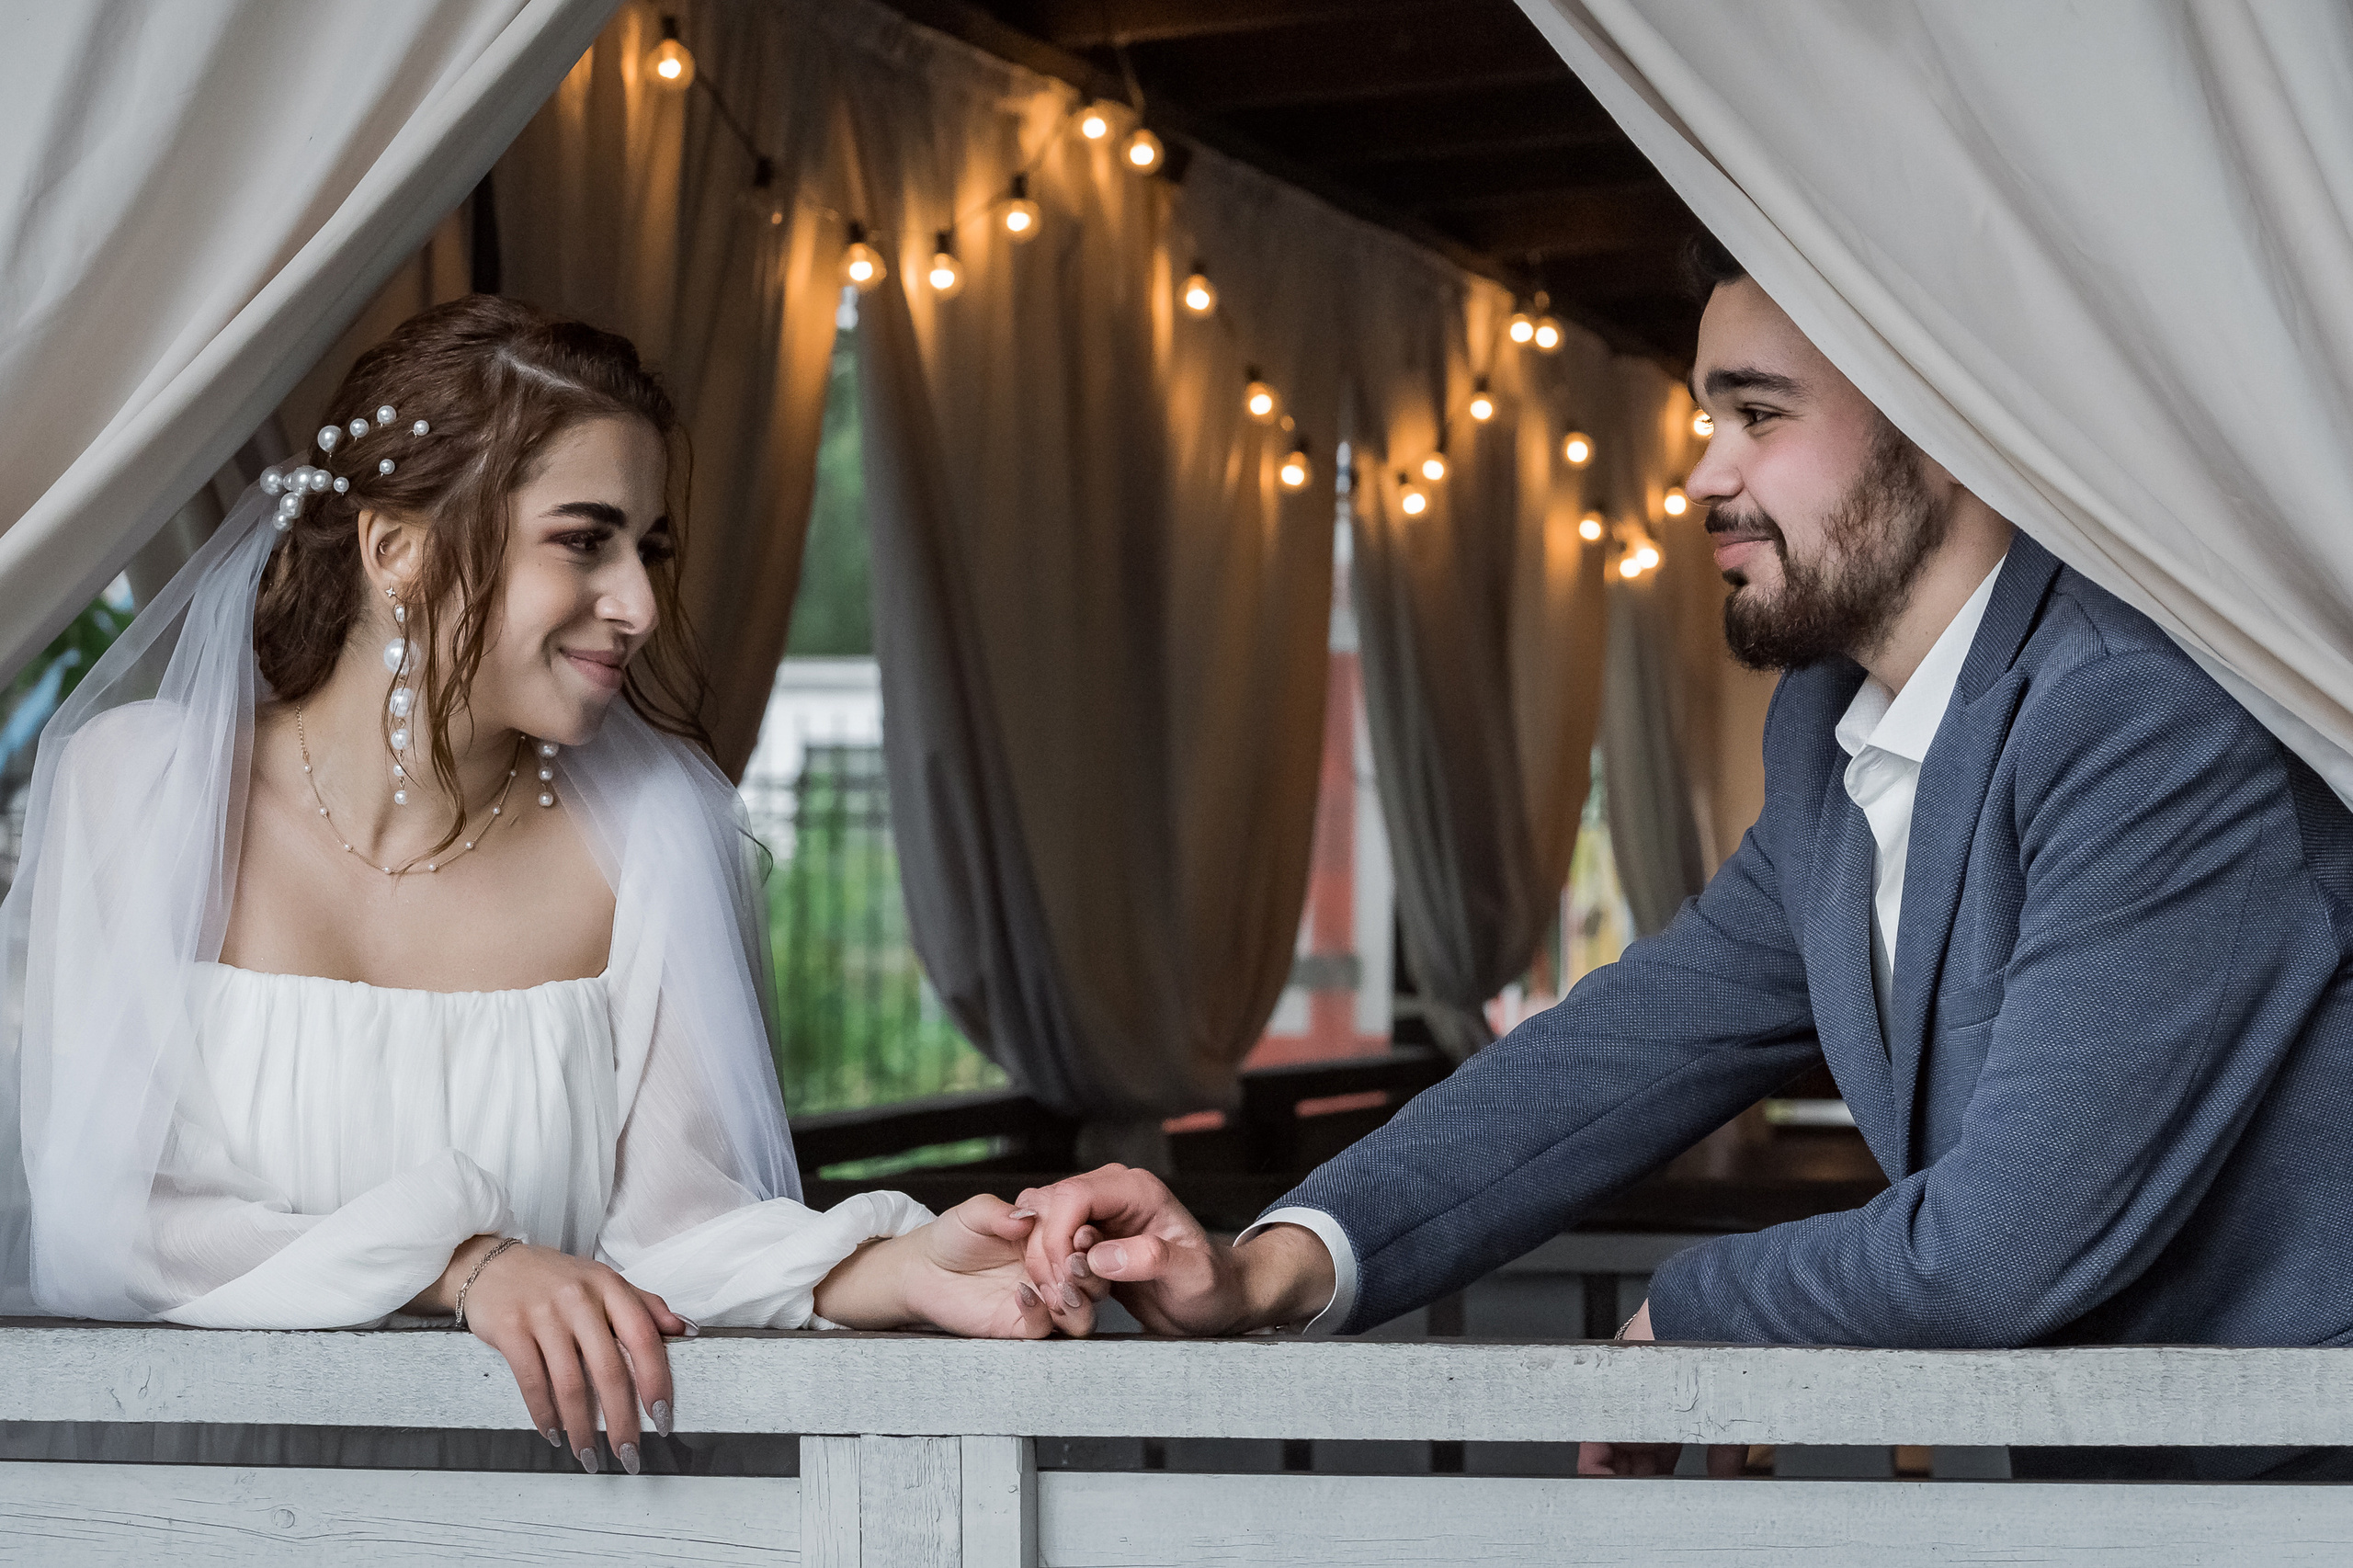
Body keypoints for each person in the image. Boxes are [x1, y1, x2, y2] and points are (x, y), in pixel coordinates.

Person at [1009, 236, 2353, 1482]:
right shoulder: (1830, 728)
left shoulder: (2141, 709)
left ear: (1951, 418)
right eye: (1709, 417)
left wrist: (1698, 1315)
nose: (1705, 473)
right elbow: (1624, 1051)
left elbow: (1996, 1252)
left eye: (1759, 416)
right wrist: (1273, 1266)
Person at [0, 296, 1100, 1476]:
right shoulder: (140, 792)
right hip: (188, 1493)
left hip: (527, 1507)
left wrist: (887, 1264)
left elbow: (682, 1225)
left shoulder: (657, 837)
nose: (635, 603)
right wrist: (462, 1265)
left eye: (649, 550)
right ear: (396, 549)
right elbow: (104, 1220)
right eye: (584, 539)